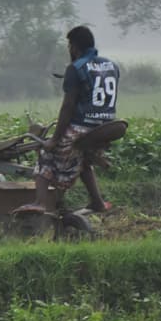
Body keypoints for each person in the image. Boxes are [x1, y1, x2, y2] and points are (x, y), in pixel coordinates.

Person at [20, 25, 119, 213]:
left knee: (46, 155)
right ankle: (97, 202)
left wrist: (54, 140)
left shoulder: (76, 68)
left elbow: (68, 107)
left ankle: (40, 202)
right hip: (104, 127)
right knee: (83, 161)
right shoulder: (111, 65)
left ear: (74, 47)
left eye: (69, 47)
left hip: (82, 127)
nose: (69, 51)